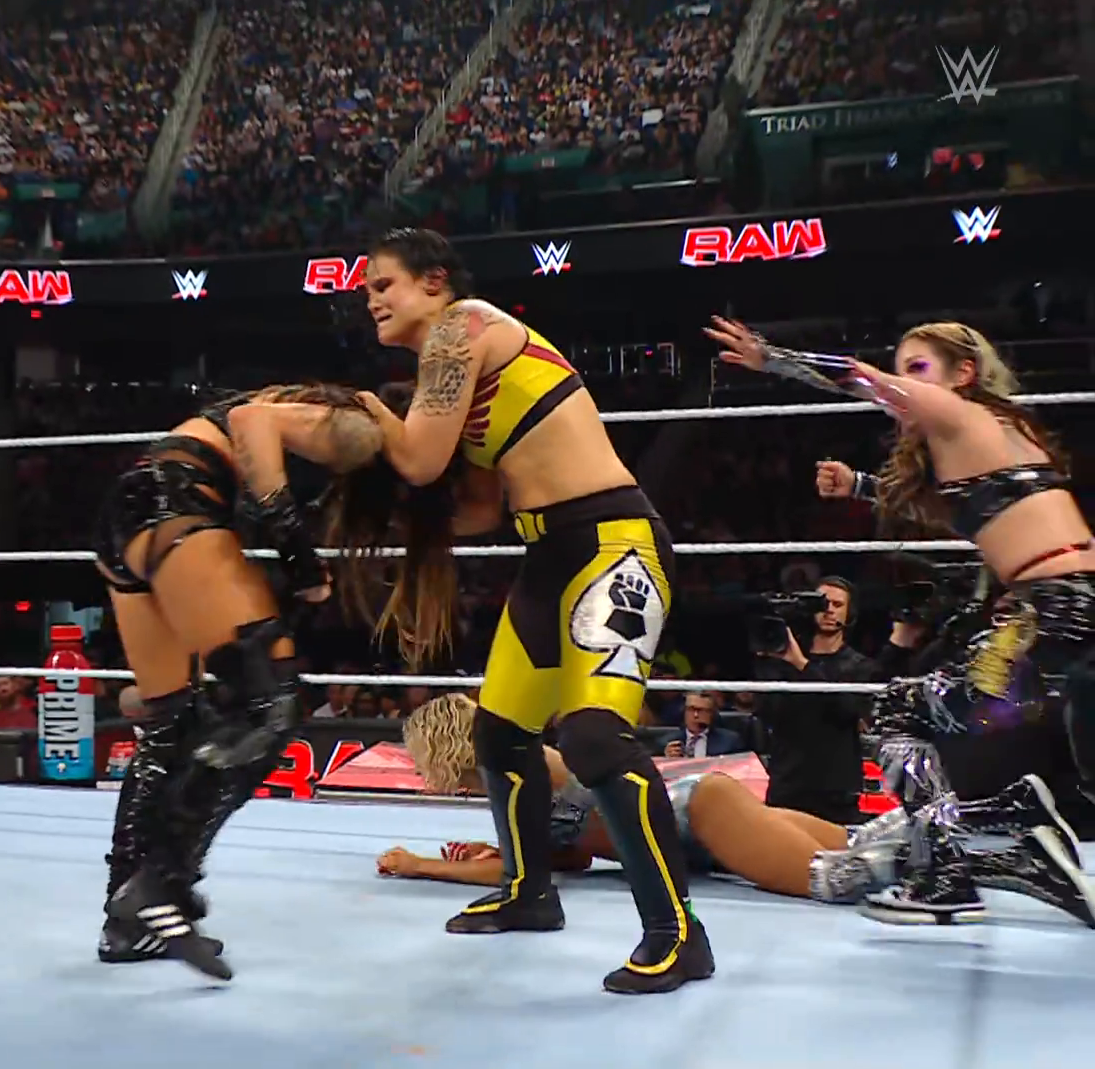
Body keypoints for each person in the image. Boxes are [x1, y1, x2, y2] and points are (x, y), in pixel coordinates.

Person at [354, 227, 705, 993]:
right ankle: (528, 891)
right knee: (500, 732)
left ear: (434, 281)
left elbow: (417, 458)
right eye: (368, 289)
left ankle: (677, 934)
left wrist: (359, 414)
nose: (371, 299)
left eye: (384, 284)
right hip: (547, 555)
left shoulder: (463, 326)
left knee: (593, 737)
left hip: (613, 544)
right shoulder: (448, 372)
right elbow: (480, 508)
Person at [706, 317, 1095, 924]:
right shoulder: (1000, 429)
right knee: (951, 722)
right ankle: (1013, 819)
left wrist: (770, 358)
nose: (905, 382)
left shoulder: (956, 412)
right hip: (1061, 609)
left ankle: (949, 875)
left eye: (918, 368)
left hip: (1054, 613)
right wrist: (860, 485)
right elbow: (966, 516)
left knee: (902, 714)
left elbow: (859, 378)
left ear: (963, 373)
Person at [93, 381, 459, 981]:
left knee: (169, 724)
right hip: (177, 503)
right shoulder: (359, 423)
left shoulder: (319, 415)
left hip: (132, 509)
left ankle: (127, 922)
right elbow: (251, 420)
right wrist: (297, 554)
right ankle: (161, 884)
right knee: (270, 703)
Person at [376, 695, 1092, 924]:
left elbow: (520, 877)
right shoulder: (534, 767)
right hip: (701, 811)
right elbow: (568, 855)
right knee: (861, 840)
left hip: (703, 820)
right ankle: (1004, 818)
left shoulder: (519, 776)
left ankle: (1012, 848)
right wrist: (498, 851)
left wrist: (419, 866)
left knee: (833, 877)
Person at [753, 577, 875, 824]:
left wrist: (801, 665)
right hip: (788, 785)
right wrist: (771, 661)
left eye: (837, 605)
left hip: (835, 791)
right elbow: (767, 711)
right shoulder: (784, 660)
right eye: (823, 603)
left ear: (850, 613)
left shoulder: (860, 666)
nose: (829, 610)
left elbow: (846, 711)